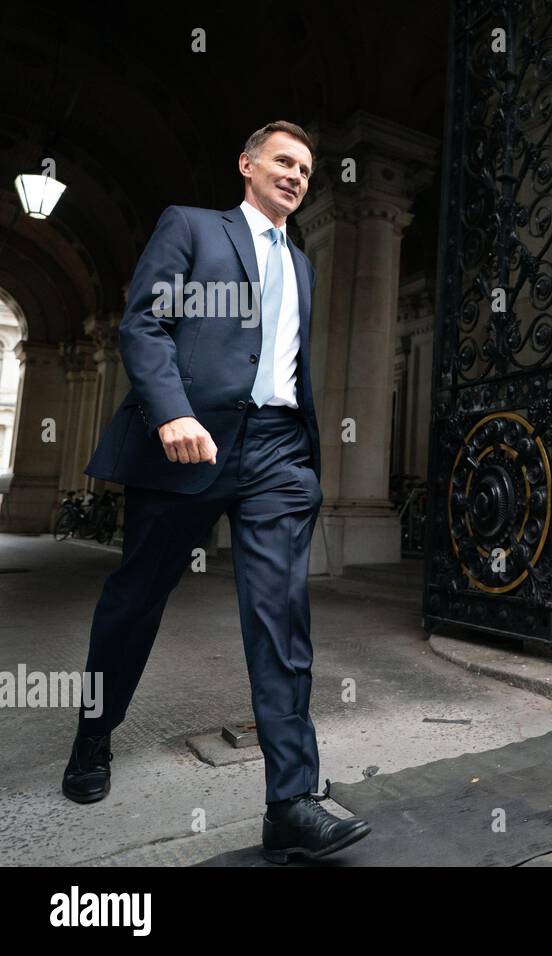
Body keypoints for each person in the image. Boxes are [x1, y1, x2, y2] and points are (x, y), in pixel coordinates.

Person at [67, 121, 371, 864]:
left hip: (274, 453)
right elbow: (146, 324)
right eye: (282, 161)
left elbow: (288, 366)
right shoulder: (193, 229)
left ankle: (291, 803)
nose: (296, 176)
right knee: (137, 598)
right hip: (190, 441)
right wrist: (171, 411)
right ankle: (93, 735)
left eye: (306, 168)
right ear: (246, 165)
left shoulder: (301, 264)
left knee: (281, 619)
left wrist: (302, 454)